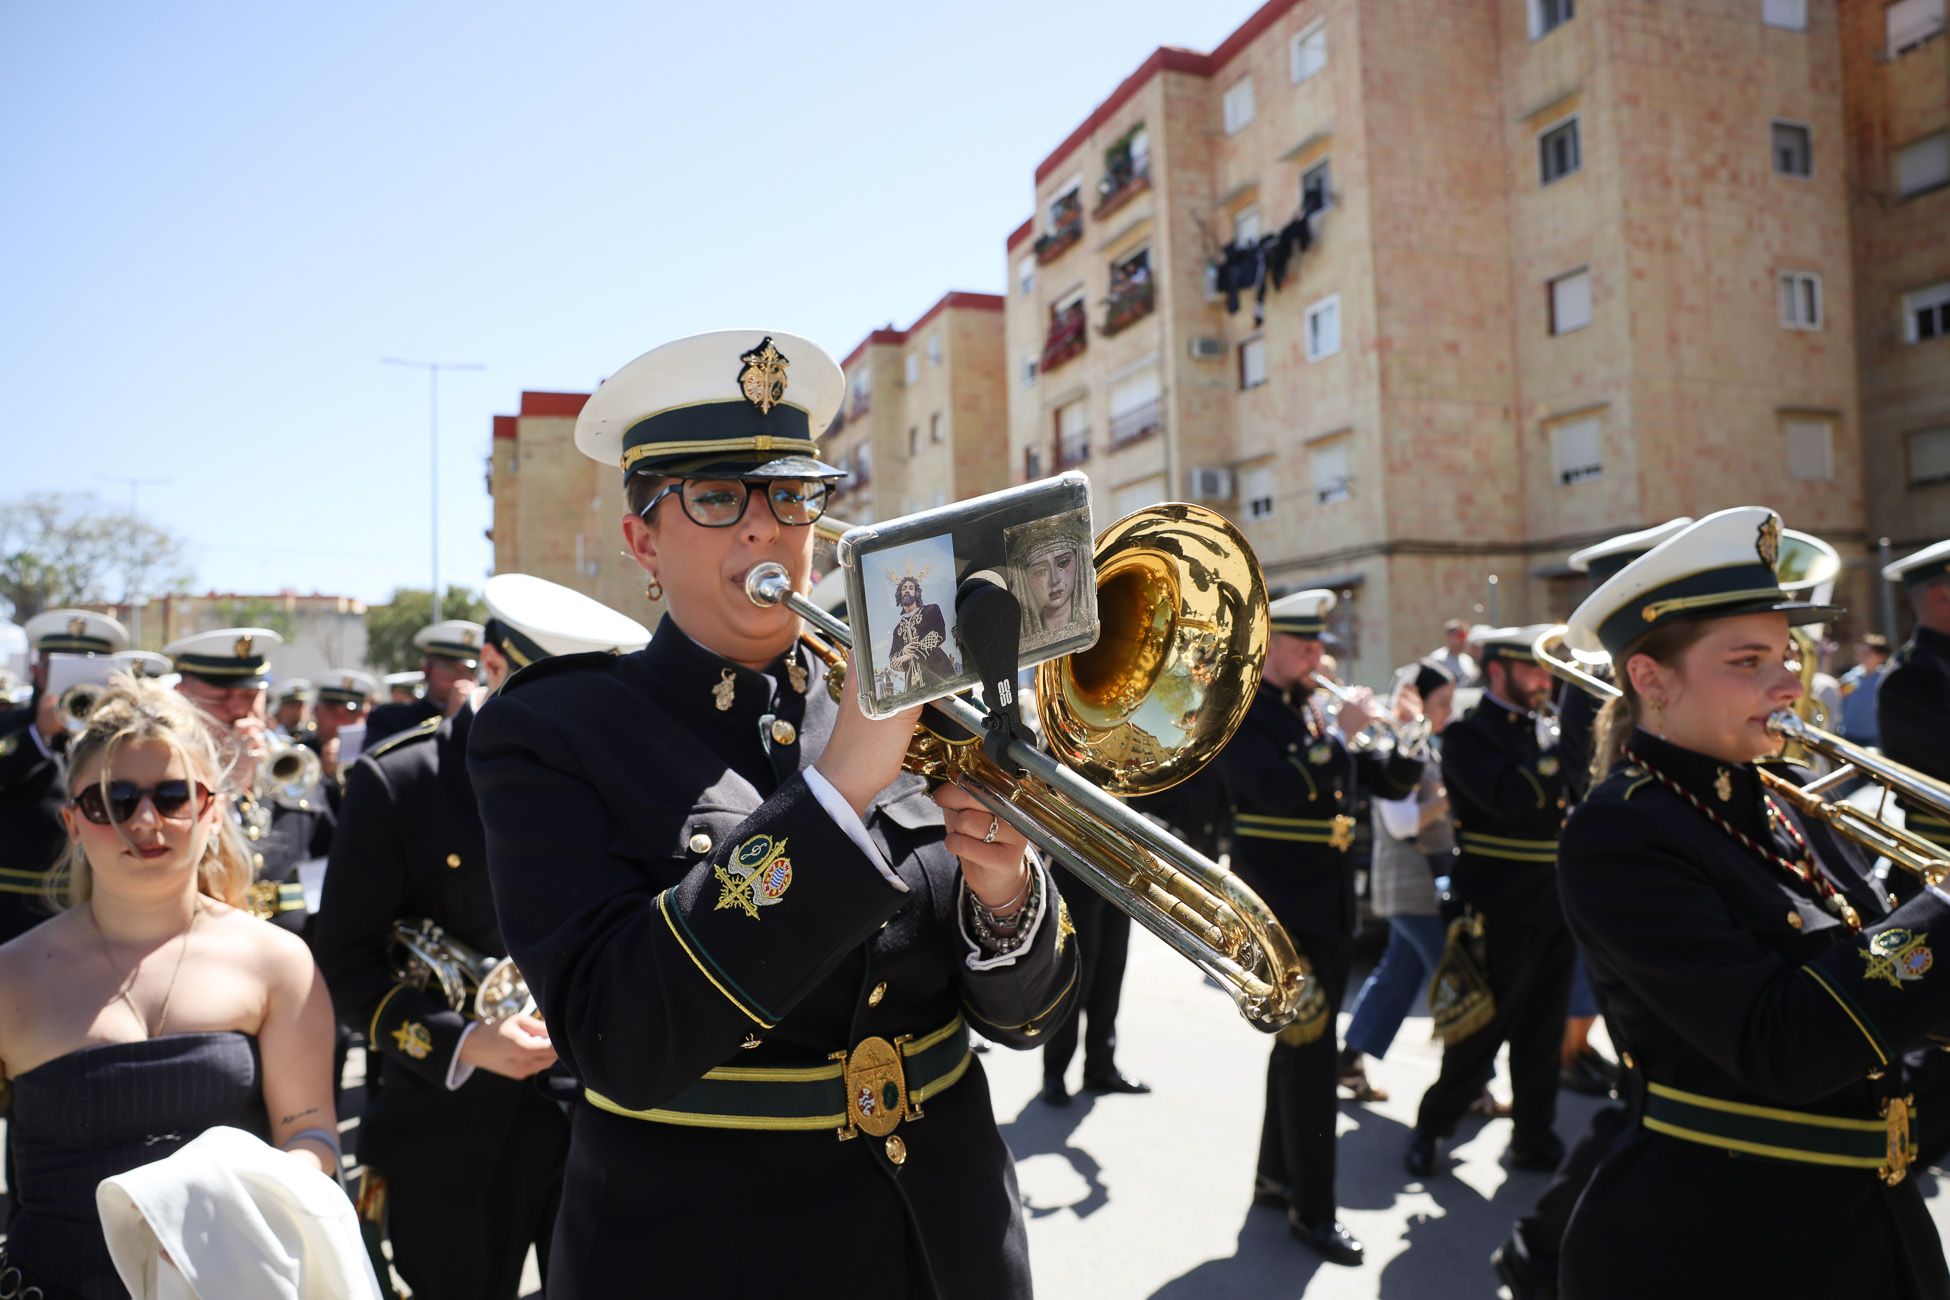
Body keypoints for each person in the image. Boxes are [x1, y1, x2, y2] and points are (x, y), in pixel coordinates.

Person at [467, 329, 1081, 1298]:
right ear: (643, 542)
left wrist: (1006, 895)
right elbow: (618, 1037)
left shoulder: (898, 693)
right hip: (702, 1254)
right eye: (716, 498)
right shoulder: (552, 732)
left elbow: (1028, 1019)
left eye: (792, 495)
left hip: (947, 1248)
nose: (766, 529)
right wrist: (835, 791)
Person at [1552, 507, 1950, 1299]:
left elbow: (1878, 972)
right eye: (1747, 660)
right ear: (1650, 678)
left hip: (1868, 1225)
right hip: (1719, 1246)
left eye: (1786, 654)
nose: (1788, 682)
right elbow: (1782, 1046)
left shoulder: (1787, 796)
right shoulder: (1621, 833)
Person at [315, 576, 649, 1299]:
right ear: (493, 669)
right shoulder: (400, 781)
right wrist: (462, 1044)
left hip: (598, 1118)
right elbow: (343, 962)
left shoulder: (614, 774)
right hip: (449, 1128)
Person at [0, 675, 341, 1299]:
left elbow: (311, 1134)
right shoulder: (10, 977)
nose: (146, 819)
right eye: (114, 800)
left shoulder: (278, 963)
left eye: (173, 796)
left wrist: (232, 1210)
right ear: (73, 823)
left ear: (211, 811)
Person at [1492, 518, 1689, 1299]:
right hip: (1633, 883)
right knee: (1655, 1090)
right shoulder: (1593, 680)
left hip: (1653, 875)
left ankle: (1548, 1248)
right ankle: (1545, 1248)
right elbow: (1608, 786)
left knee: (1656, 1091)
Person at [1214, 588, 1421, 1267]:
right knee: (1311, 1061)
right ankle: (1314, 1211)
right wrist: (1341, 736)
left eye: (1321, 647)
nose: (1319, 658)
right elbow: (1272, 790)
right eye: (1306, 647)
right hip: (1282, 917)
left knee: (1298, 1052)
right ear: (1272, 648)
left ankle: (1276, 1180)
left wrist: (1408, 733)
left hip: (1327, 909)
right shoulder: (1244, 712)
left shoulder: (1310, 708)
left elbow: (1386, 785)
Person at [1404, 625, 1573, 1180]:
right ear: (1497, 671)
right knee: (1478, 1035)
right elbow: (1508, 801)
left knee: (1542, 1034)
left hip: (1554, 904)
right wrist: (1558, 766)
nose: (1544, 679)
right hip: (1497, 905)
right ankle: (1431, 1128)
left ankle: (1534, 1136)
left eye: (1546, 669)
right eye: (1532, 669)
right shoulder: (1468, 736)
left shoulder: (1548, 730)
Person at [1337, 661, 1456, 1103]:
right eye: (1440, 703)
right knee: (1456, 980)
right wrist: (1448, 797)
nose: (1448, 712)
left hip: (1417, 884)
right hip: (1412, 884)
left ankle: (1348, 1060)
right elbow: (1403, 822)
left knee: (1397, 977)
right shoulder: (1394, 743)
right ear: (1415, 699)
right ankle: (1470, 1082)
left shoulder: (1422, 743)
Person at [166, 628, 335, 935]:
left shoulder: (286, 758)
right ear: (182, 696)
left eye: (249, 696)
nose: (238, 710)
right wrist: (229, 783)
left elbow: (325, 854)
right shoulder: (160, 767)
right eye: (220, 698)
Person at [0, 609, 130, 945]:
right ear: (37, 669)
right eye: (60, 665)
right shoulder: (9, 727)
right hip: (17, 912)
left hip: (106, 909)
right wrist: (38, 735)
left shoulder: (126, 734)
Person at [364, 622, 483, 747]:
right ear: (427, 670)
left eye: (471, 671)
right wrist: (451, 723)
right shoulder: (388, 718)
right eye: (451, 669)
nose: (462, 678)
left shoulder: (486, 721)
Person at [886, 573, 957, 692]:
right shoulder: (897, 629)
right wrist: (904, 651)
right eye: (904, 588)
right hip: (913, 685)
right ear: (900, 594)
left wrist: (913, 653)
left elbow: (937, 633)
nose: (907, 591)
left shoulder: (931, 610)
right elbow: (892, 659)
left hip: (938, 670)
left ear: (916, 593)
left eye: (911, 588)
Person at [312, 669, 379, 789]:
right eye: (331, 711)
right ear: (316, 711)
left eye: (350, 713)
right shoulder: (302, 750)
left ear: (364, 715)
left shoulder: (376, 756)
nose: (340, 721)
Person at [1837, 633, 1891, 748]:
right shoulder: (1850, 677)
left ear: (1881, 656)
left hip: (1875, 738)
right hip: (1849, 735)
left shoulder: (1886, 678)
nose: (1863, 655)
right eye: (1862, 652)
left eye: (1868, 653)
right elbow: (1840, 699)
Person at [1429, 618, 1479, 687]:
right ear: (1449, 637)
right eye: (1461, 635)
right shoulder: (1437, 659)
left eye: (1466, 635)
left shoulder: (1468, 660)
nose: (1464, 640)